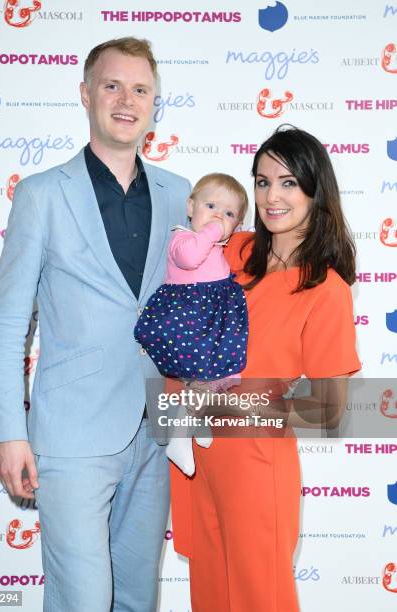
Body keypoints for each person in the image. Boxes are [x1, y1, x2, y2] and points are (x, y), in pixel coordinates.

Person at [0, 37, 191, 612]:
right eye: (112, 85)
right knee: (82, 600)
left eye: (141, 89)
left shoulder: (183, 196)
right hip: (71, 436)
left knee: (136, 599)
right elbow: (5, 325)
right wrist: (9, 433)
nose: (127, 100)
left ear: (155, 105)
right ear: (85, 94)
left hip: (156, 432)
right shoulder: (42, 195)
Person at [170, 125, 361, 612]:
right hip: (195, 457)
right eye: (261, 181)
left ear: (316, 192)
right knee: (209, 595)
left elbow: (329, 410)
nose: (271, 196)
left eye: (288, 182)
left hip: (257, 465)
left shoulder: (326, 289)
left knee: (260, 598)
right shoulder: (233, 250)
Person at [134, 173, 249, 476]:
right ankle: (180, 435)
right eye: (210, 205)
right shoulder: (182, 238)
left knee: (219, 371)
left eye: (228, 213)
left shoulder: (217, 245)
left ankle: (193, 419)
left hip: (208, 317)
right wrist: (213, 231)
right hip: (186, 318)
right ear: (190, 206)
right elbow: (189, 258)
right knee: (203, 373)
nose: (216, 216)